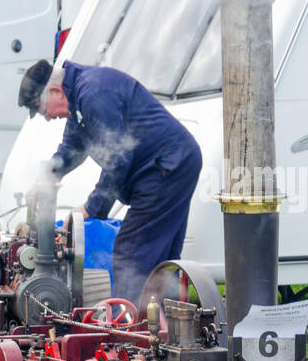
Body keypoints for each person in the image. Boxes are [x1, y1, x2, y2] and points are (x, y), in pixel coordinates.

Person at [18, 59, 202, 305]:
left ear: (54, 91)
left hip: (166, 167)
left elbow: (118, 157)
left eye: (42, 110)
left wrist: (90, 209)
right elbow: (70, 149)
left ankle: (129, 333)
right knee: (161, 257)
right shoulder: (79, 98)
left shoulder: (94, 93)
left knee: (131, 252)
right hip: (173, 163)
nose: (48, 118)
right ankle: (166, 327)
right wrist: (44, 179)